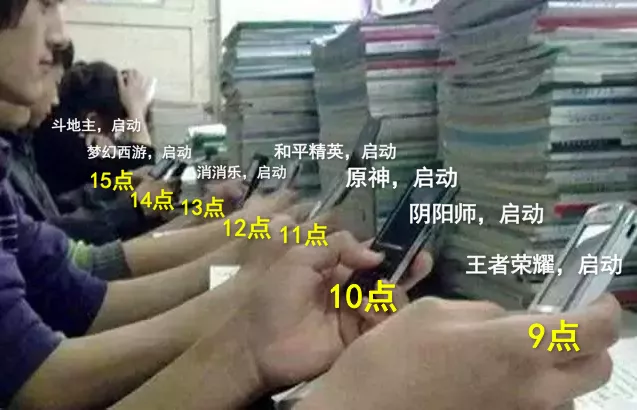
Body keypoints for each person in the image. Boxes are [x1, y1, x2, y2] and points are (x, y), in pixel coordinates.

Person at [33, 58, 156, 197]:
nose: (112, 136)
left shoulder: (56, 124)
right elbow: (145, 176)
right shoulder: (69, 146)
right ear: (92, 120)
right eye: (113, 128)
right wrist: (136, 111)